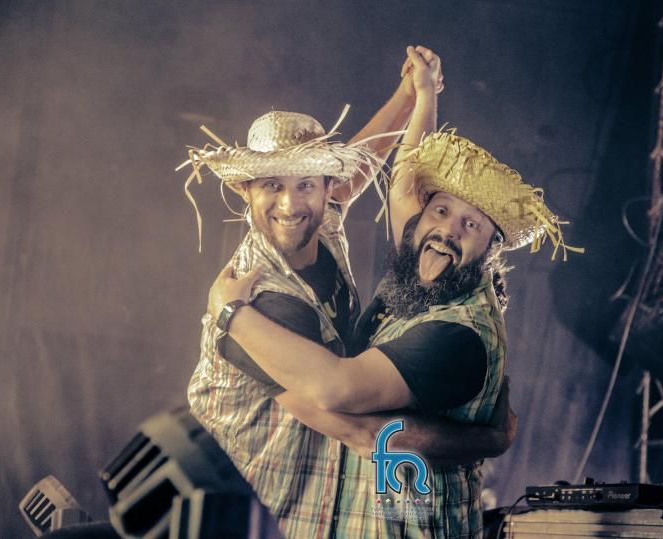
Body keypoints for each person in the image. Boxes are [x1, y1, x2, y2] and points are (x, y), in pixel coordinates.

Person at [208, 46, 582, 538]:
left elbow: (380, 177)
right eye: (441, 211)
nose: (290, 204)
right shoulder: (266, 305)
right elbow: (354, 419)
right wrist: (229, 312)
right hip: (276, 500)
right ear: (246, 191)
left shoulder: (452, 331)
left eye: (470, 224)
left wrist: (415, 94)